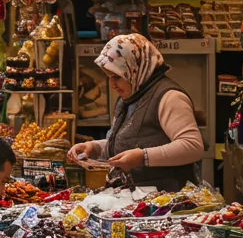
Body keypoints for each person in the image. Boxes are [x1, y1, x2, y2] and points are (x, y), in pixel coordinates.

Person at [66, 33, 204, 191]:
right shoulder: (130, 96)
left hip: (168, 202)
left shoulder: (170, 97)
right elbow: (127, 142)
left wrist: (143, 157)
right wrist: (94, 148)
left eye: (117, 77)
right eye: (109, 77)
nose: (112, 85)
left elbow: (193, 146)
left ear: (134, 68)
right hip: (136, 199)